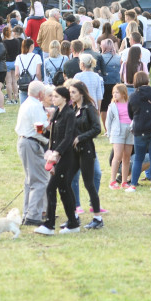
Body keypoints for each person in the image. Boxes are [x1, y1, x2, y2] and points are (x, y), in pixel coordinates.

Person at [35, 86, 79, 235]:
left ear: (64, 98)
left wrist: (57, 153)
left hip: (65, 157)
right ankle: (73, 222)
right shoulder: (57, 113)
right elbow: (54, 136)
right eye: (52, 96)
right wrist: (43, 132)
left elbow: (68, 137)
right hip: (56, 155)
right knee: (64, 189)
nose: (53, 99)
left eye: (56, 97)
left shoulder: (69, 114)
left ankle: (50, 224)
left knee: (51, 188)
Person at [67, 80, 103, 229]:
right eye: (70, 93)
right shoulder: (74, 108)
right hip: (75, 151)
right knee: (67, 181)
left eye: (73, 92)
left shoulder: (89, 108)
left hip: (86, 150)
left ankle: (97, 218)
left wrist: (80, 137)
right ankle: (74, 216)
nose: (71, 95)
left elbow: (97, 128)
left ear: (81, 93)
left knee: (89, 184)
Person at [15, 80, 50, 227]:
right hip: (32, 143)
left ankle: (28, 212)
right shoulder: (35, 106)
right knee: (40, 180)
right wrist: (51, 126)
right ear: (41, 94)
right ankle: (33, 215)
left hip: (24, 142)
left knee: (30, 180)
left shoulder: (26, 103)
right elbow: (39, 128)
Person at [126, 71, 151, 192]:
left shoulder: (133, 96)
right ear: (147, 80)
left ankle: (133, 185)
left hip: (140, 129)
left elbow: (130, 114)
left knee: (138, 157)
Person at [14, 39, 42, 104]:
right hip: (34, 83)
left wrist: (19, 81)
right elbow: (38, 73)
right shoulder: (36, 57)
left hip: (23, 84)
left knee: (23, 106)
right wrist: (40, 81)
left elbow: (16, 73)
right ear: (32, 46)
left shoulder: (19, 57)